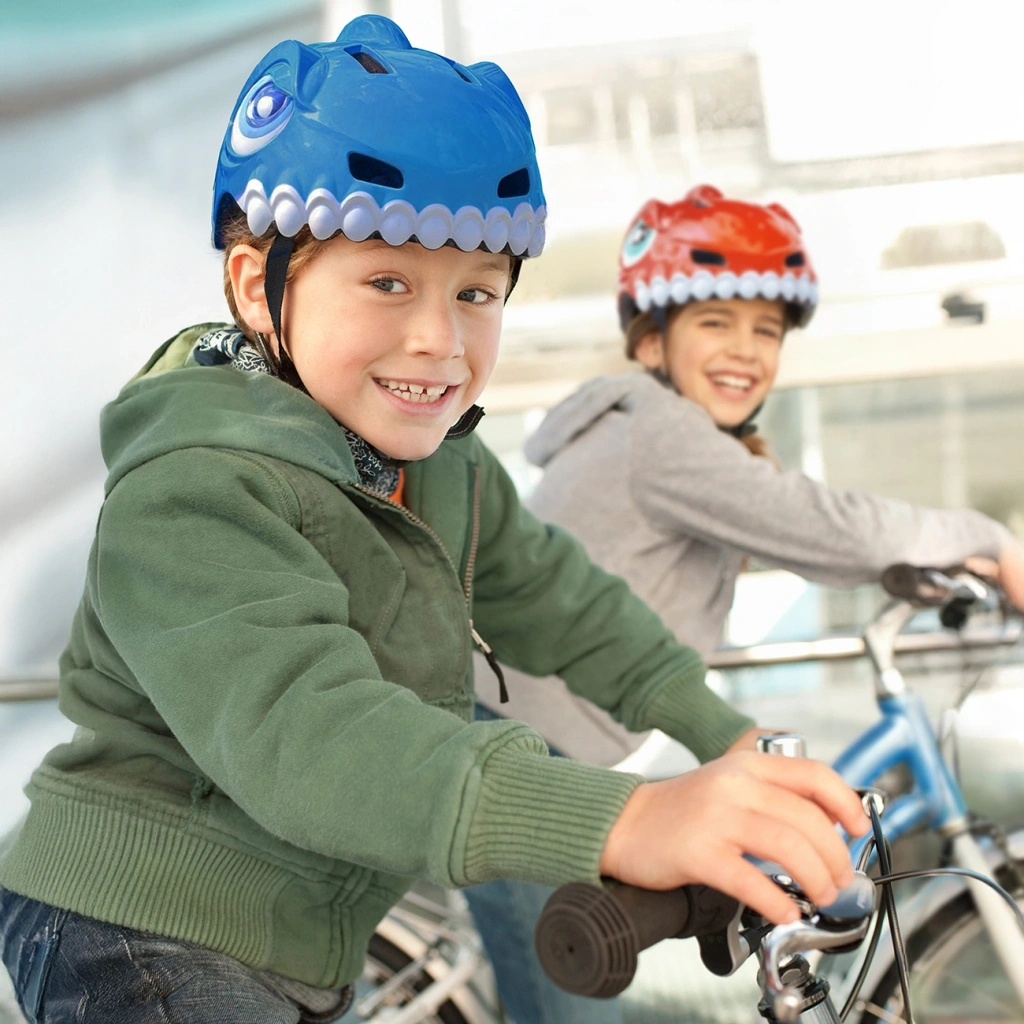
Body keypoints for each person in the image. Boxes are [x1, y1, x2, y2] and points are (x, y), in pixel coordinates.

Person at [0, 29, 868, 1024]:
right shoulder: (192, 490)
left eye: (476, 293)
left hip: (297, 936)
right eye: (387, 283)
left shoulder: (438, 458)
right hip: (136, 928)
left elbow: (558, 598)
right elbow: (316, 741)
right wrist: (626, 819)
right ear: (255, 288)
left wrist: (732, 735)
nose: (439, 341)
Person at [468, 183, 1024, 1023]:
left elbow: (796, 533)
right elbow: (824, 524)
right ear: (651, 340)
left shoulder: (664, 438)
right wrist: (990, 539)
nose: (746, 349)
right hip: (516, 764)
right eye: (716, 322)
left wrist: (902, 568)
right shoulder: (660, 432)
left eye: (766, 330)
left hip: (534, 746)